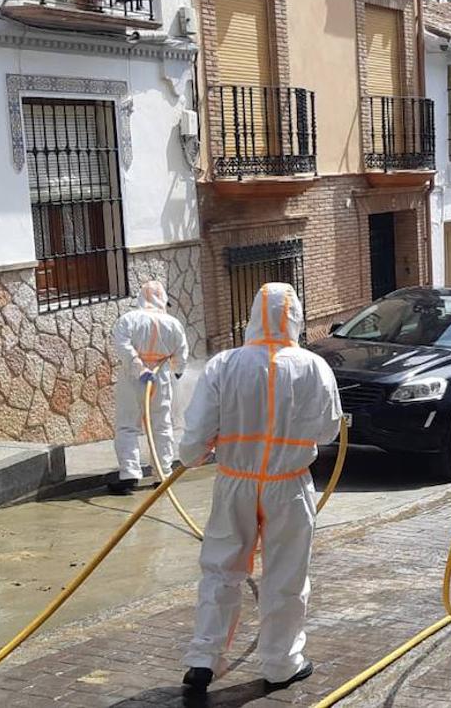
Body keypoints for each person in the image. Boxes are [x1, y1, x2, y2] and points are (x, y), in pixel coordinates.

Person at [179, 283, 341, 695]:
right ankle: (282, 663)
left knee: (221, 569)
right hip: (288, 487)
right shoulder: (313, 367)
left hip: (236, 482)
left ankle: (203, 659)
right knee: (285, 574)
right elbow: (327, 430)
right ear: (296, 318)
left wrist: (194, 456)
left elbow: (195, 438)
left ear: (252, 315)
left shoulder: (225, 365)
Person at [109, 280, 189, 495]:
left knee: (127, 425)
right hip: (161, 378)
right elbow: (181, 352)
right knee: (161, 426)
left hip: (133, 380)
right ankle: (162, 474)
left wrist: (139, 368)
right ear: (162, 299)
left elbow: (123, 346)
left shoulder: (128, 320)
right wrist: (178, 370)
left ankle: (129, 474)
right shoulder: (173, 323)